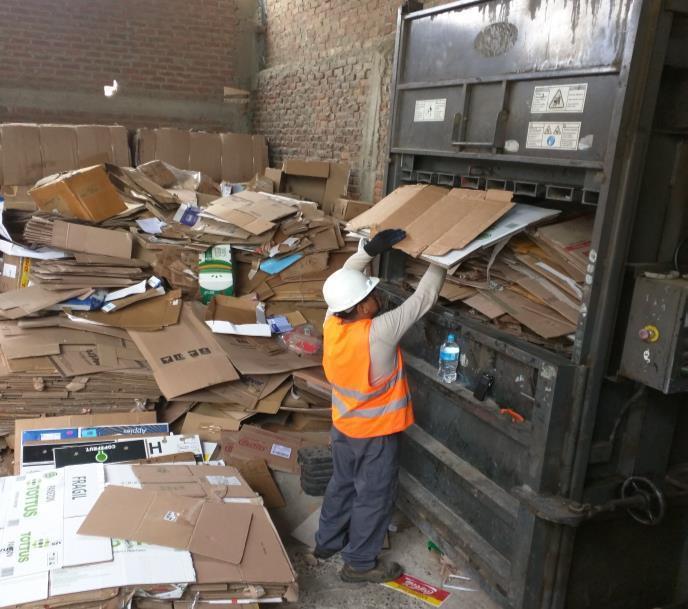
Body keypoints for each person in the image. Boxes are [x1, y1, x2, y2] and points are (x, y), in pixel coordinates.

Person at [315, 228, 447, 583]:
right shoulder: (380, 331)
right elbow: (424, 299)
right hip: (376, 436)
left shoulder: (332, 322)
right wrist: (442, 256)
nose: (376, 295)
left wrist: (367, 250)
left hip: (343, 428)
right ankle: (359, 564)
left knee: (342, 483)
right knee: (373, 496)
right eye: (370, 295)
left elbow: (345, 278)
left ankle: (326, 542)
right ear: (361, 307)